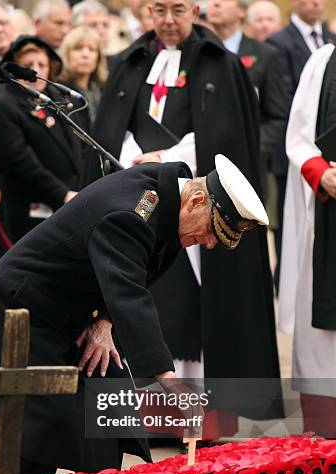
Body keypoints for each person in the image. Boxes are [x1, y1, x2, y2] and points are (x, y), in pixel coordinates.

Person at [0, 156, 269, 474]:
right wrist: (170, 382)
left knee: (107, 418)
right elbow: (129, 293)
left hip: (81, 303)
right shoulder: (131, 215)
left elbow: (130, 272)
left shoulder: (170, 199)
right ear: (197, 200)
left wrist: (105, 321)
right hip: (33, 301)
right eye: (211, 231)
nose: (210, 244)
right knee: (40, 425)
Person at [82, 0, 281, 435]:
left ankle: (204, 417)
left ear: (195, 10)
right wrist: (134, 156)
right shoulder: (131, 60)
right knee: (143, 291)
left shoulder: (220, 65)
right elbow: (114, 127)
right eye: (159, 10)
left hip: (196, 198)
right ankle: (151, 419)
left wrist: (168, 159)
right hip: (136, 196)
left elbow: (224, 139)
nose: (168, 21)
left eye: (177, 10)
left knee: (198, 303)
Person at [279, 43, 336, 438]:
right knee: (322, 327)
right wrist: (322, 173)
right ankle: (325, 435)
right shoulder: (324, 61)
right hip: (330, 204)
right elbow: (298, 136)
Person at [267, 0, 336, 290]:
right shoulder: (319, 60)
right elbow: (294, 118)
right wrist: (321, 171)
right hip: (321, 173)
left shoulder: (328, 41)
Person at [0, 35, 81, 243]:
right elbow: (18, 160)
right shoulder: (3, 105)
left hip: (70, 201)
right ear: (15, 69)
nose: (36, 70)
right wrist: (61, 194)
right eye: (29, 65)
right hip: (32, 206)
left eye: (42, 64)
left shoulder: (56, 100)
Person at [206, 0, 287, 199]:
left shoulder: (266, 55)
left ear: (242, 11)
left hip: (247, 169)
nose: (214, 4)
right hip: (201, 164)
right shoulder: (198, 52)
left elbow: (277, 116)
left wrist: (253, 149)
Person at [60, 25, 108, 132]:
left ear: (99, 57)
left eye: (92, 49)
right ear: (66, 54)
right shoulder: (59, 92)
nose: (85, 54)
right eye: (78, 48)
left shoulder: (102, 90)